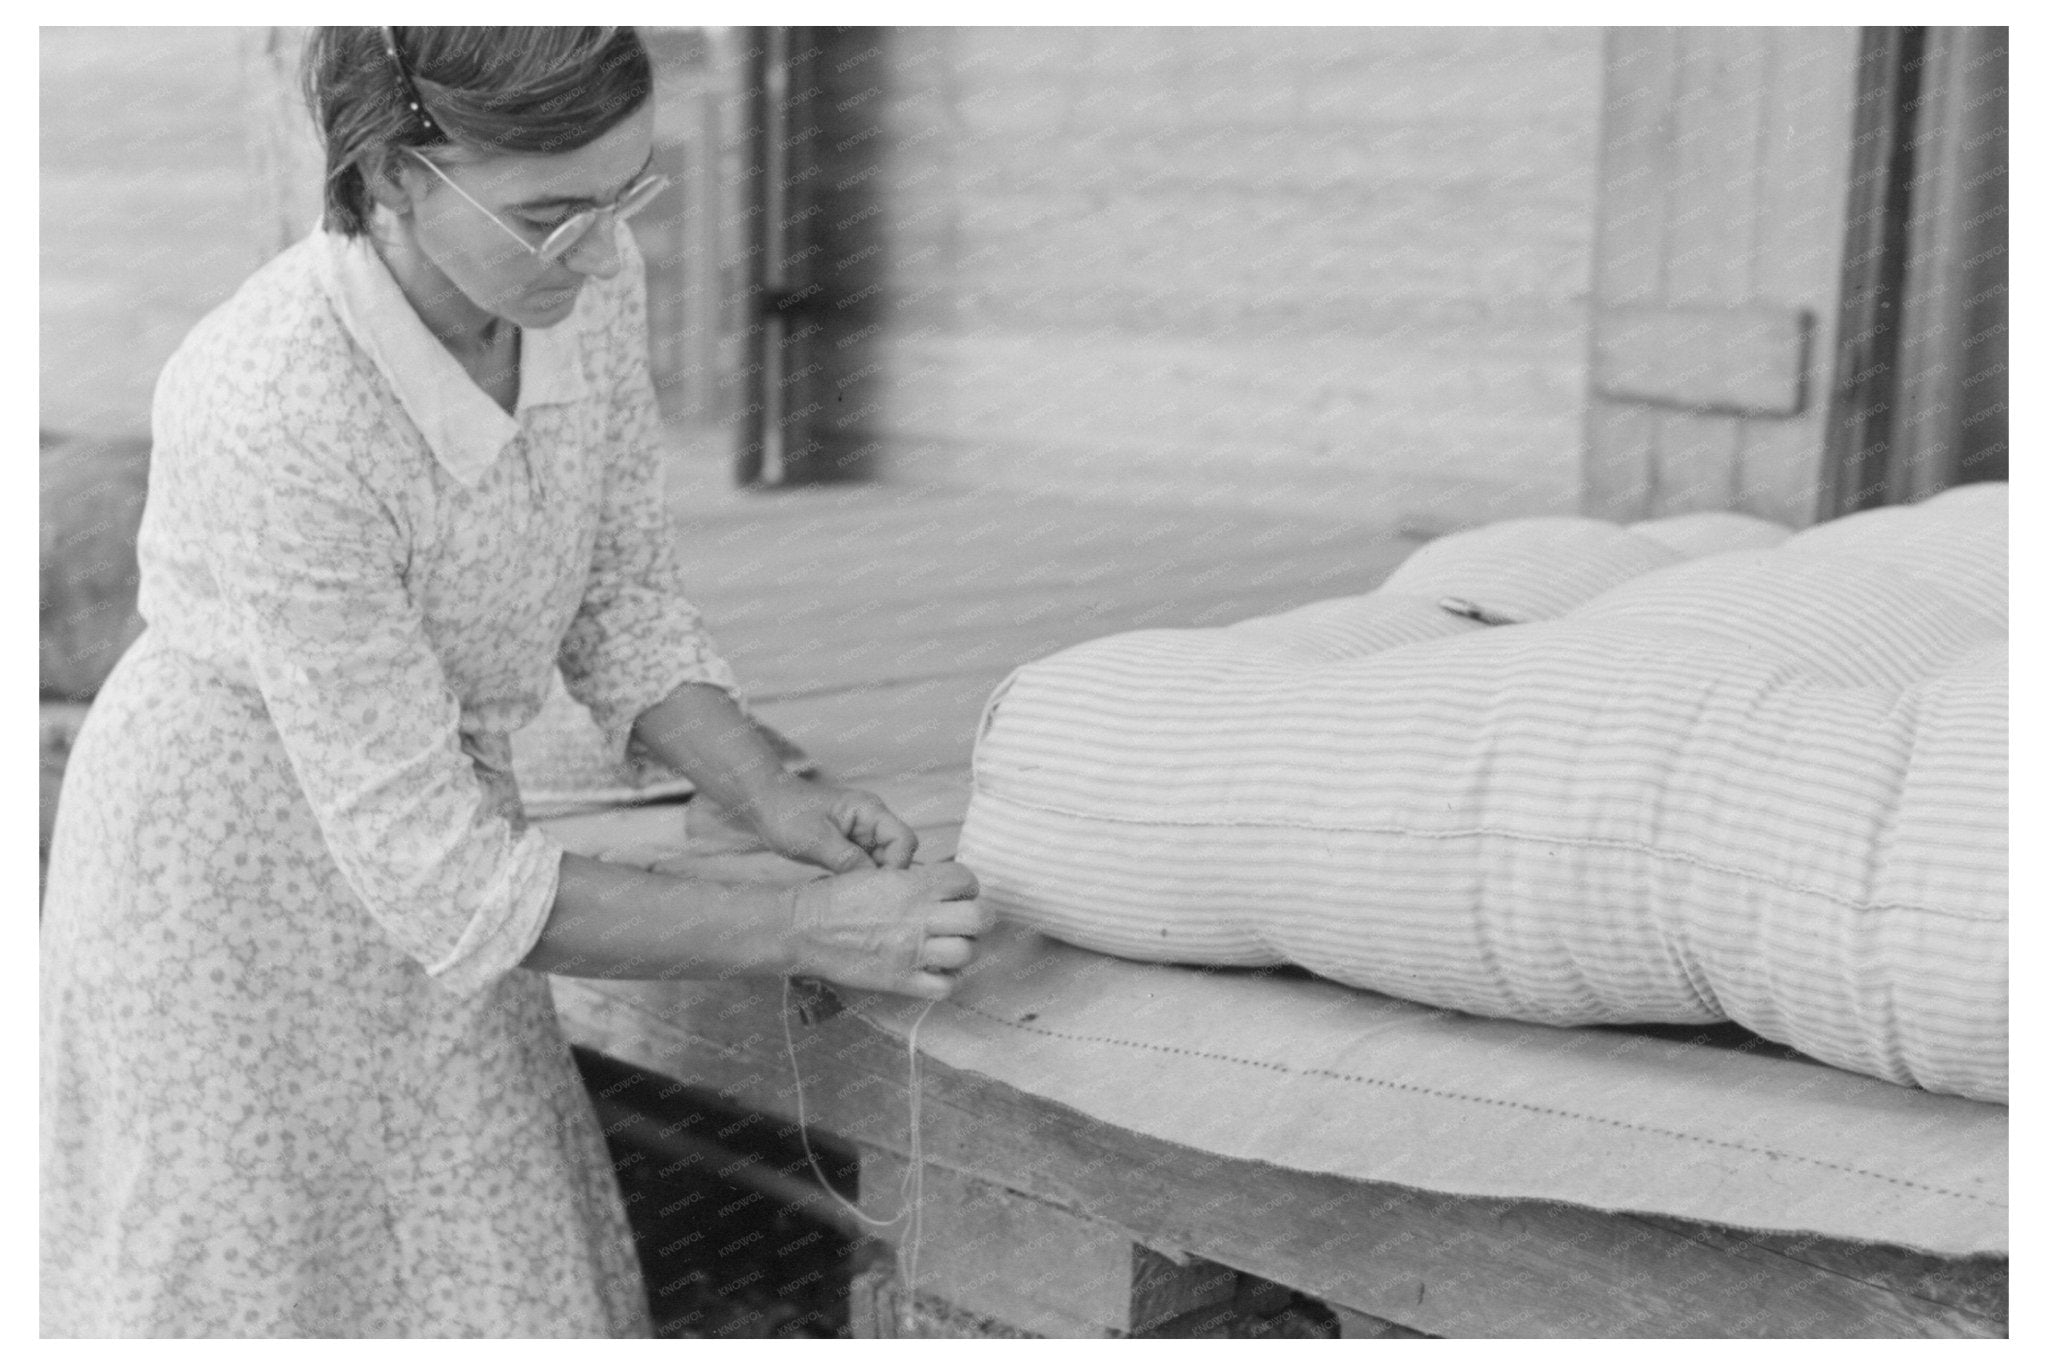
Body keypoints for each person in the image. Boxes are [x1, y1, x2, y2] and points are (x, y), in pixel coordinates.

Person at [40, 26, 984, 1338]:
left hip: (444, 834)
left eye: (626, 194)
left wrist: (769, 797)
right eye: (552, 214)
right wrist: (805, 930)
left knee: (492, 1272)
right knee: (259, 1280)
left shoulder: (585, 274)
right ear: (390, 177)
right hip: (225, 873)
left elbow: (620, 595)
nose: (603, 248)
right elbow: (450, 882)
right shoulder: (272, 398)